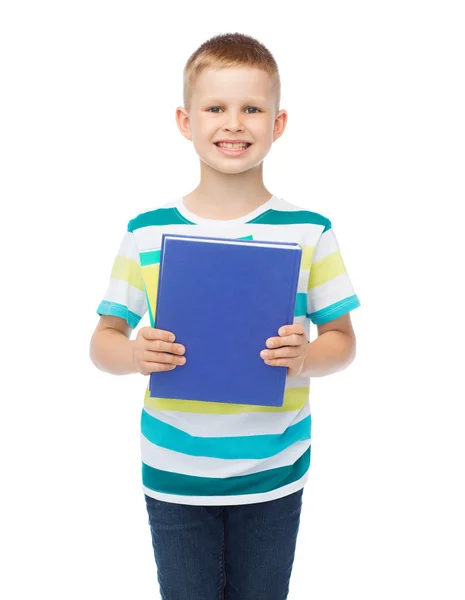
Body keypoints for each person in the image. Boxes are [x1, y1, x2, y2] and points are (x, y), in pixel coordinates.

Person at [90, 32, 361, 600]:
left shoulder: (310, 230)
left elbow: (342, 339)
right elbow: (104, 340)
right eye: (215, 108)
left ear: (278, 123)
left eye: (251, 109)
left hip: (274, 472)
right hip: (175, 474)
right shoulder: (148, 230)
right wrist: (135, 352)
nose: (233, 123)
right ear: (186, 122)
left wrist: (307, 356)